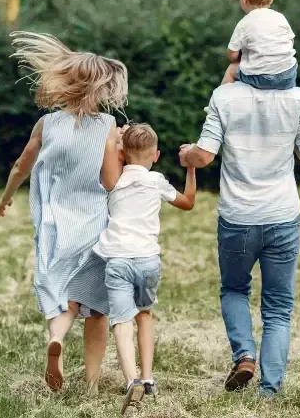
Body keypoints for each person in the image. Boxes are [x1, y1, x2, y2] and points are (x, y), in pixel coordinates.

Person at [0, 31, 128, 394]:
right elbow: (111, 179)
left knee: (59, 294)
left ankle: (56, 337)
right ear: (100, 88)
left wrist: (6, 198)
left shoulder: (47, 124)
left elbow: (22, 166)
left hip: (55, 223)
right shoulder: (107, 126)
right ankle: (92, 382)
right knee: (97, 306)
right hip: (95, 223)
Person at [179, 82, 300, 398]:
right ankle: (269, 391)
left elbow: (202, 157)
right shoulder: (295, 98)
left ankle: (244, 356)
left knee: (233, 289)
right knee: (279, 307)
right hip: (283, 217)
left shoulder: (224, 97)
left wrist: (186, 154)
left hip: (238, 218)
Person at [93, 123, 196, 414]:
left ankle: (130, 381)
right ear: (156, 154)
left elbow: (108, 152)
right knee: (145, 315)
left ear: (122, 154)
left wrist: (116, 139)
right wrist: (191, 170)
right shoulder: (157, 180)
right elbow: (188, 203)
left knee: (121, 322)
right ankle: (148, 378)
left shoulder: (113, 179)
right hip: (148, 259)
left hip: (118, 259)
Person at [222, 0, 297, 90]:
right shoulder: (280, 18)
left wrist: (239, 57)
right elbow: (291, 42)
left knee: (231, 69)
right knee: (290, 64)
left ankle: (220, 102)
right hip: (287, 75)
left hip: (260, 78)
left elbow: (231, 54)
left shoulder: (244, 24)